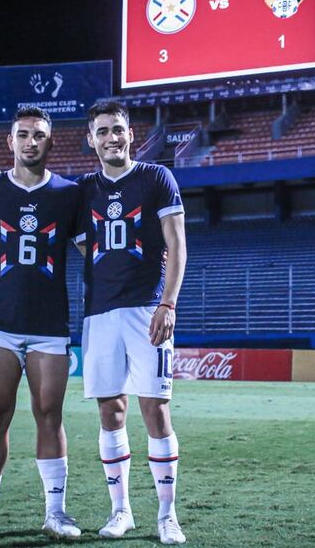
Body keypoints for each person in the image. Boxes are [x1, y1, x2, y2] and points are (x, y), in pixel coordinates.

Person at [0, 106, 81, 540]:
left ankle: (56, 513)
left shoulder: (70, 193)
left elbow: (94, 253)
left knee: (50, 414)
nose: (31, 141)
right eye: (23, 134)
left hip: (50, 324)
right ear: (9, 141)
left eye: (40, 135)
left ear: (52, 142)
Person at [76, 101, 187, 545]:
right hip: (100, 313)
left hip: (147, 310)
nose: (111, 138)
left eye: (118, 130)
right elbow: (84, 243)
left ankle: (167, 515)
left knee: (155, 409)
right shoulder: (84, 189)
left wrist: (169, 303)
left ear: (130, 133)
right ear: (91, 139)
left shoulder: (157, 177)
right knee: (110, 410)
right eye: (102, 131)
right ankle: (121, 510)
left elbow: (177, 244)